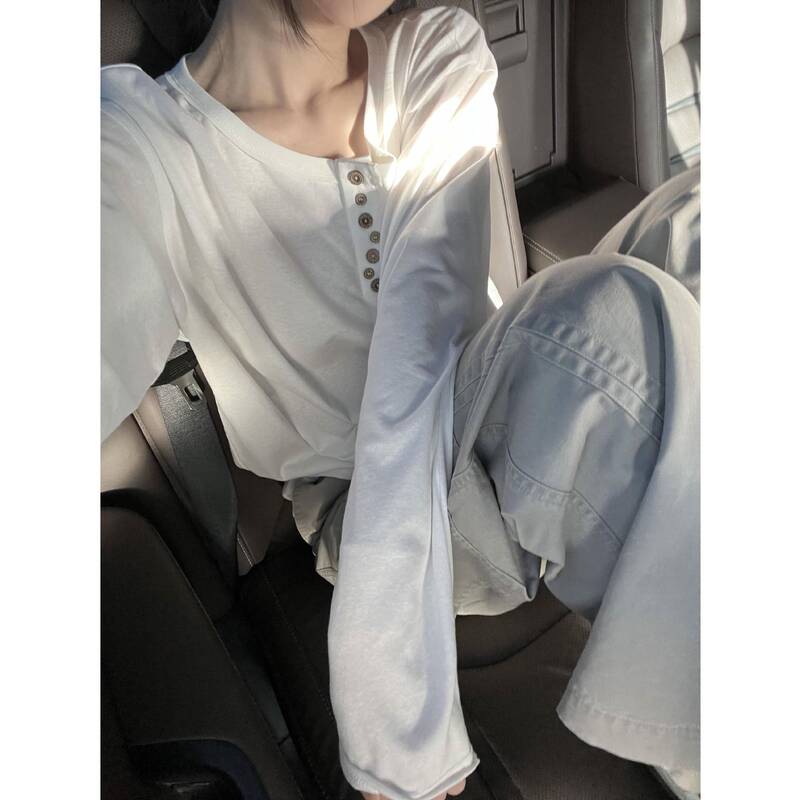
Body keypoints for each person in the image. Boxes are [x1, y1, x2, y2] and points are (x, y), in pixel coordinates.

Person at [101, 1, 701, 799]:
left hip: (487, 412)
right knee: (607, 328)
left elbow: (422, 348)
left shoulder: (433, 50)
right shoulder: (133, 145)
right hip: (363, 509)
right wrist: (393, 691)